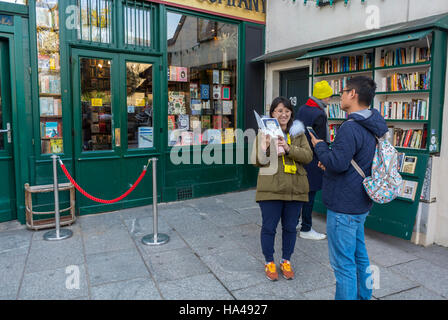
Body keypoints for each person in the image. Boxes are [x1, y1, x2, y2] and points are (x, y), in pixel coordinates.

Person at [309, 76, 388, 300]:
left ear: (353, 94)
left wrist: (321, 147)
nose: (341, 96)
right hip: (360, 202)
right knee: (360, 256)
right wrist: (332, 158)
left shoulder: (350, 127)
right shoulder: (374, 125)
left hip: (344, 204)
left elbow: (338, 163)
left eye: (343, 91)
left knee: (343, 264)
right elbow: (351, 161)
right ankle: (364, 296)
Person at [251, 97, 313, 281]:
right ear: (272, 114)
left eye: (287, 110)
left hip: (295, 188)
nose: (283, 114)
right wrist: (265, 146)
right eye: (279, 110)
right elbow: (257, 161)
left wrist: (288, 148)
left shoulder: (299, 133)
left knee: (290, 228)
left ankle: (286, 260)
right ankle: (269, 261)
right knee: (269, 227)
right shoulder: (263, 133)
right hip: (271, 188)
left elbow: (308, 156)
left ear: (291, 113)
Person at [295, 80, 333, 240]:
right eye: (329, 97)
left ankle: (295, 221)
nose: (329, 100)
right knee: (310, 195)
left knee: (300, 192)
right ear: (323, 97)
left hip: (300, 155)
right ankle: (306, 228)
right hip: (313, 158)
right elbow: (321, 139)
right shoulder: (319, 114)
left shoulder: (303, 109)